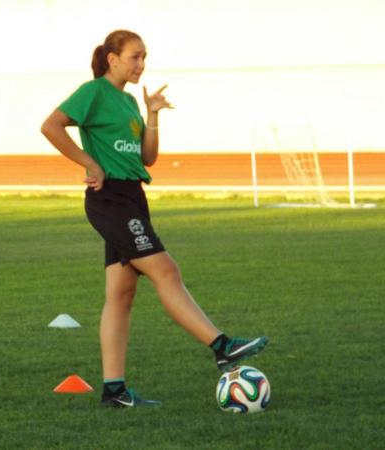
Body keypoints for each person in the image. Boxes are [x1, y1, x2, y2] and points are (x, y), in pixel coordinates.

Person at [41, 30, 268, 407]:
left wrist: (152, 114)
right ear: (112, 58)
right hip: (110, 199)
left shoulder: (130, 101)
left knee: (121, 295)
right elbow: (50, 125)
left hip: (133, 197)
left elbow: (148, 158)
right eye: (134, 57)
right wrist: (89, 162)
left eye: (144, 57)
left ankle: (114, 391)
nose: (141, 65)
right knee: (166, 271)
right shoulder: (93, 92)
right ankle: (221, 346)